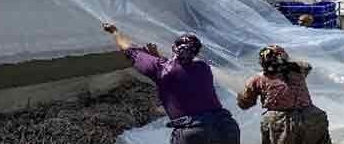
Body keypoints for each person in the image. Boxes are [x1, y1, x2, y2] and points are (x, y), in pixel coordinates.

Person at [102, 23, 240, 144]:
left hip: (193, 132)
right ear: (197, 51)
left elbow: (130, 50)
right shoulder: (204, 68)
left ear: (174, 48)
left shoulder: (161, 69)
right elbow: (181, 72)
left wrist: (115, 31)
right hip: (226, 127)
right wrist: (156, 57)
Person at [237, 45, 331, 144]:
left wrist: (244, 94)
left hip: (282, 123)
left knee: (270, 120)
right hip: (314, 117)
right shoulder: (298, 71)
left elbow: (244, 103)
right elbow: (307, 66)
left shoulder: (258, 79)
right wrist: (288, 64)